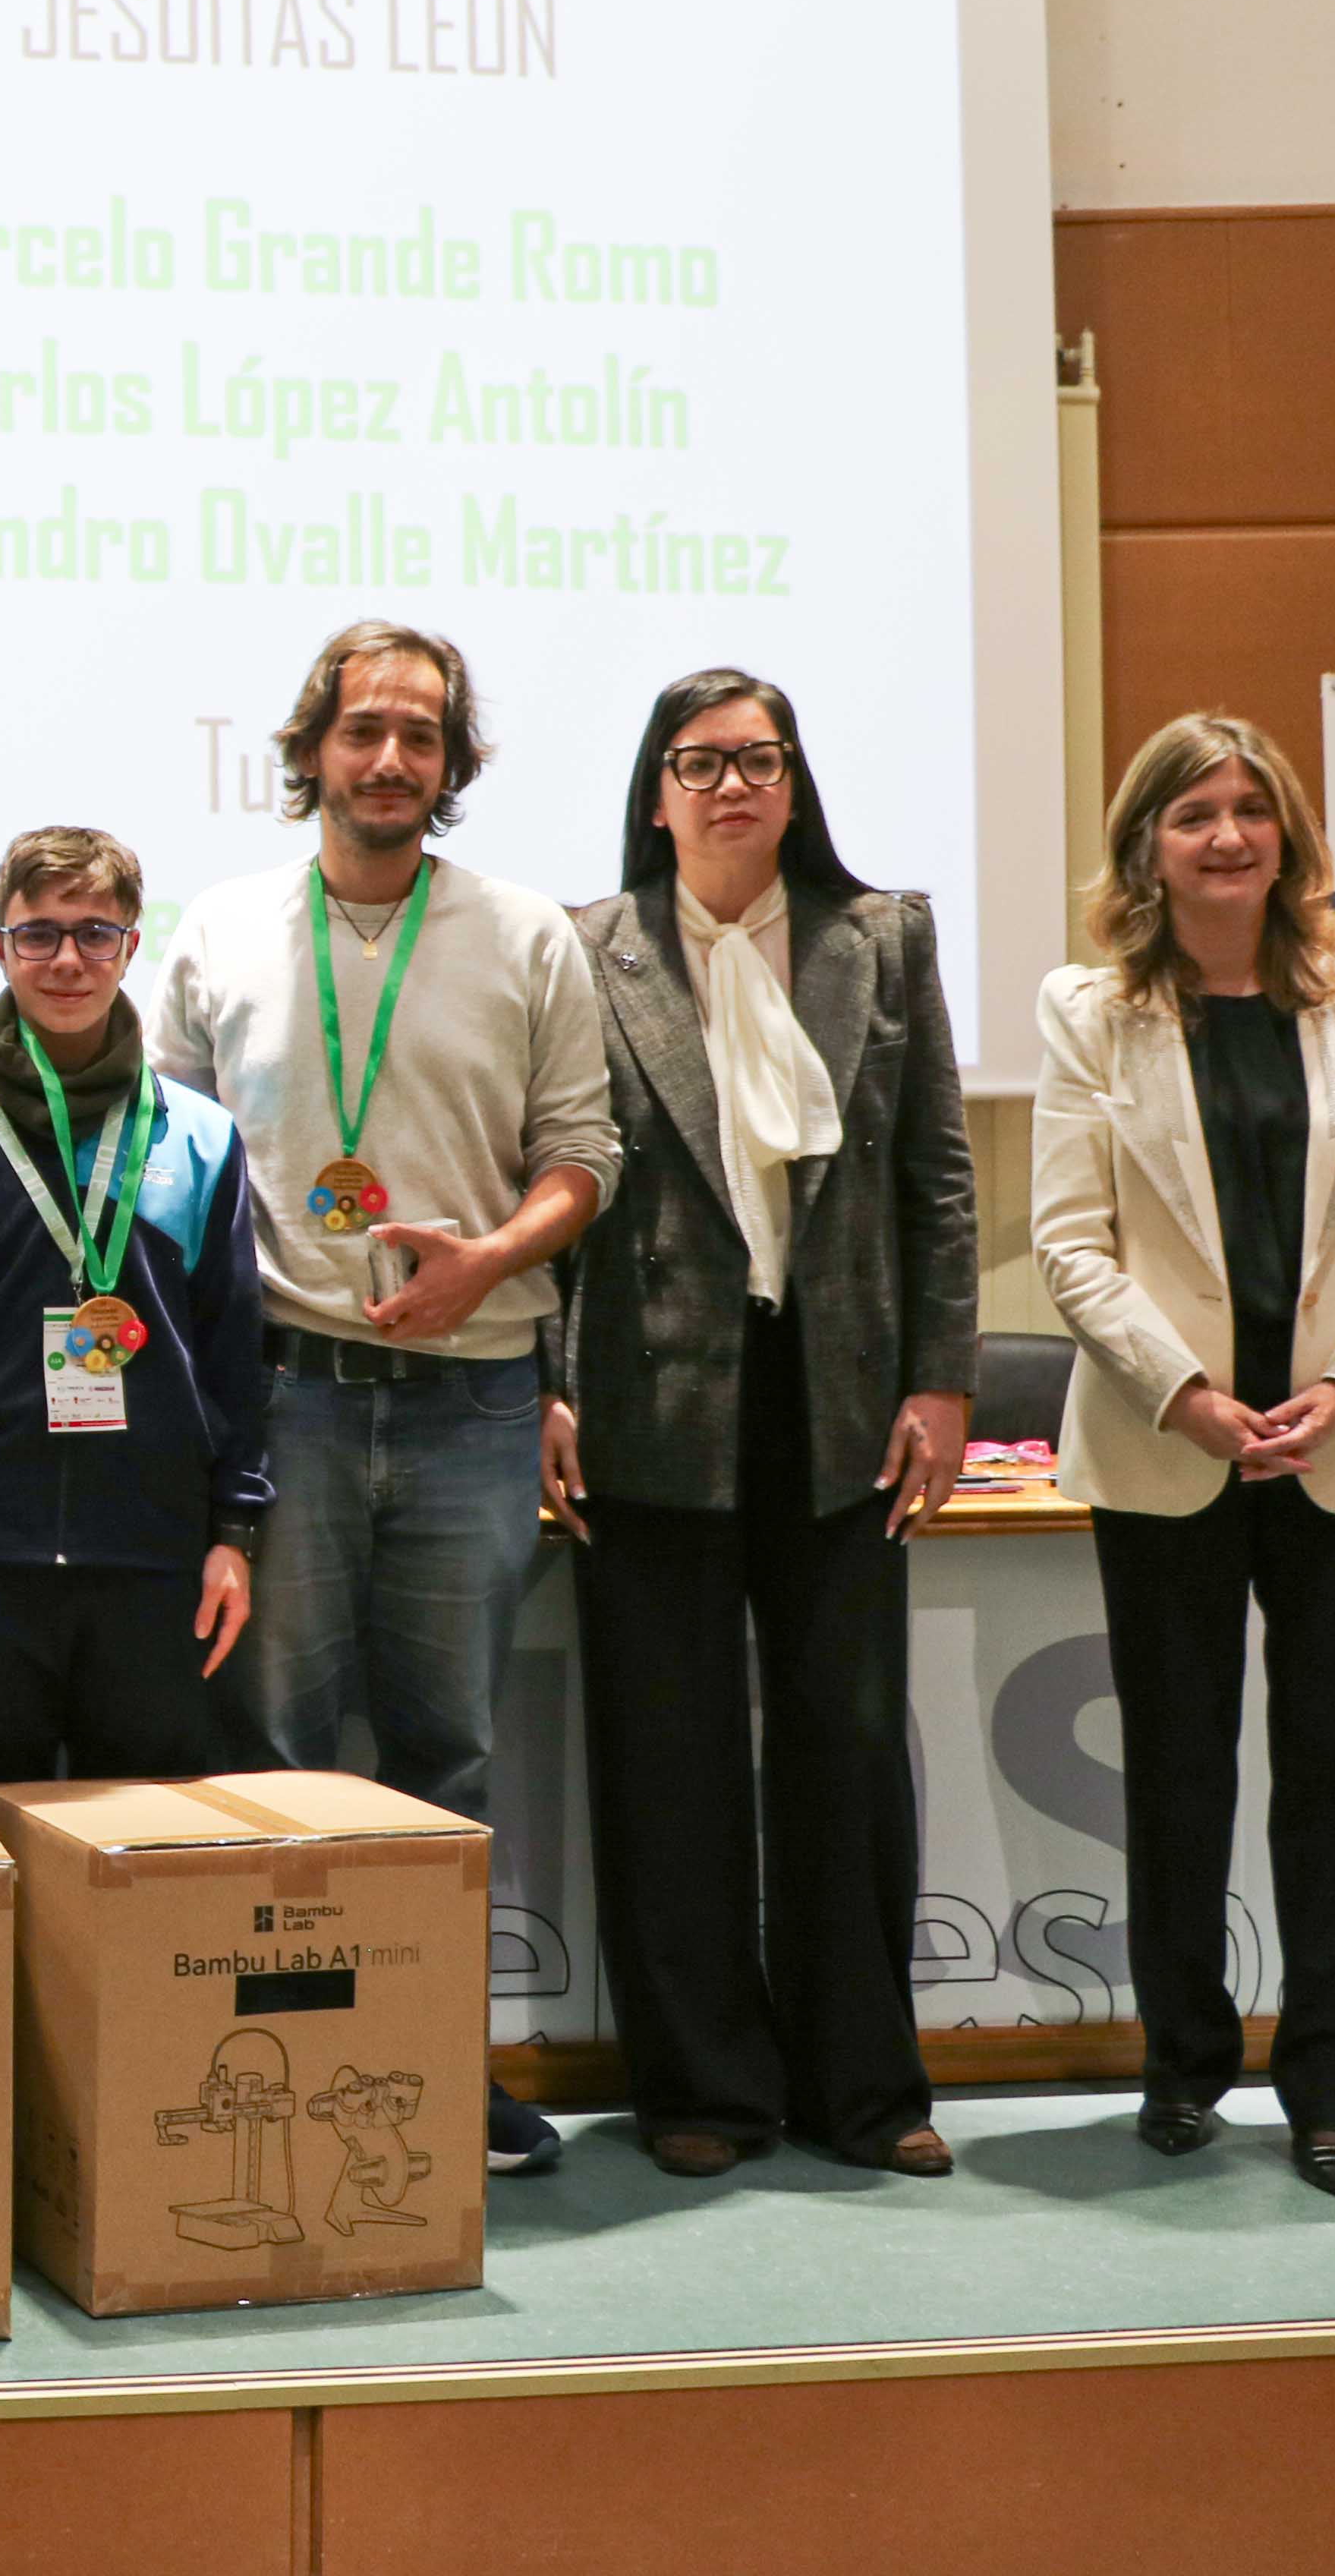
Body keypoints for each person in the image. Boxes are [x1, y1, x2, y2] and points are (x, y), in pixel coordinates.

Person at [143, 620, 617, 2177]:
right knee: (272, 1752)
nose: (392, 759)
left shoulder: (530, 933)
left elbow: (585, 1160)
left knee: (443, 1757)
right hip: (284, 1403)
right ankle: (275, 2071)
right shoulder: (217, 929)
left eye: (422, 734)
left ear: (453, 762)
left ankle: (423, 2068)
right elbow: (154, 1158)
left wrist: (490, 1261)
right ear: (312, 749)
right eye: (364, 730)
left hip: (472, 1404)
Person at [540, 670, 978, 2181]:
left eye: (759, 759)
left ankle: (866, 2084)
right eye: (700, 761)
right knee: (669, 1759)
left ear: (795, 783)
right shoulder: (586, 949)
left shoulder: (885, 938)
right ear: (656, 790)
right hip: (647, 1394)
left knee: (848, 1751)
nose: (731, 785)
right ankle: (702, 2086)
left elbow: (937, 1176)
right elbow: (548, 1177)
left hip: (842, 1393)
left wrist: (943, 1378)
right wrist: (545, 1375)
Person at [1033, 711, 1335, 2200]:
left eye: (1250, 809)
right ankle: (1183, 2062)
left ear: (1289, 836)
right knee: (1182, 1772)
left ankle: (1332, 2085)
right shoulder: (1091, 1009)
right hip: (1174, 1447)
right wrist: (1186, 1388)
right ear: (1147, 842)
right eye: (1193, 811)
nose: (1226, 834)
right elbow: (1070, 1244)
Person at [0, 826, 261, 1790]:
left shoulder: (200, 1138)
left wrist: (234, 1536)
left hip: (155, 1570)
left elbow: (235, 1355)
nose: (68, 959)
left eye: (96, 932)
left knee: (141, 1880)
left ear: (132, 945)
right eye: (38, 934)